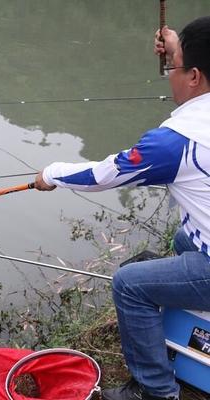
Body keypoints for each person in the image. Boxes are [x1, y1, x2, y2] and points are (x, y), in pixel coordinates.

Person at [34, 16, 210, 400]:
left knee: (129, 284)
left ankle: (156, 391)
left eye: (173, 65)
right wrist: (176, 40)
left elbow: (103, 175)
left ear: (194, 76)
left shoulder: (177, 143)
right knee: (183, 238)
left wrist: (52, 173)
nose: (169, 73)